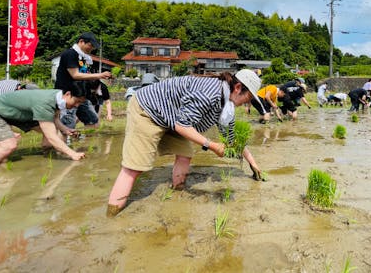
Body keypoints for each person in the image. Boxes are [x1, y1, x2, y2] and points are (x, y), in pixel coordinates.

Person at [106, 69, 263, 217]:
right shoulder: (210, 93)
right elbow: (182, 126)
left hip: (172, 117)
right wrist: (212, 145)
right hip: (147, 110)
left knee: (185, 155)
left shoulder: (226, 105)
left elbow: (232, 137)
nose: (246, 104)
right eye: (248, 98)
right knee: (134, 168)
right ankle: (112, 215)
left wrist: (253, 163)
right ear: (237, 87)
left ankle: (177, 193)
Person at [0, 81, 87, 165]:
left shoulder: (58, 96)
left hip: (16, 113)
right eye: (76, 101)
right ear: (68, 94)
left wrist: (65, 129)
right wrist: (73, 154)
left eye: (80, 103)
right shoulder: (45, 103)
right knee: (8, 147)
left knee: (3, 158)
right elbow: (51, 137)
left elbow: (54, 117)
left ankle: (49, 154)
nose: (77, 105)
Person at [54, 32, 111, 130]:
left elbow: (85, 75)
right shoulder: (70, 54)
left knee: (93, 121)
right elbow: (75, 75)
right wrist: (100, 75)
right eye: (90, 45)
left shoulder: (84, 58)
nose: (91, 48)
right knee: (66, 126)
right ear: (81, 42)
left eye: (93, 47)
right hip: (68, 95)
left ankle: (86, 143)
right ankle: (62, 143)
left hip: (81, 96)